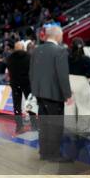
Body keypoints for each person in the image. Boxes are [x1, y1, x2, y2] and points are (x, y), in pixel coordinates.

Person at [29, 26, 73, 162]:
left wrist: (36, 90)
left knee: (44, 124)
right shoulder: (60, 51)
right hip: (54, 95)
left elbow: (31, 73)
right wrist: (68, 94)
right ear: (58, 36)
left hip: (40, 94)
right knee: (55, 125)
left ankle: (44, 153)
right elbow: (62, 76)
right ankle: (53, 155)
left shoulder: (36, 50)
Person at [7, 41, 37, 133]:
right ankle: (34, 125)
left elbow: (9, 71)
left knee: (17, 105)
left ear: (15, 48)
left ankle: (19, 126)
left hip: (15, 84)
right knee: (30, 104)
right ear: (23, 47)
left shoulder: (9, 58)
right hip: (27, 83)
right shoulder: (29, 57)